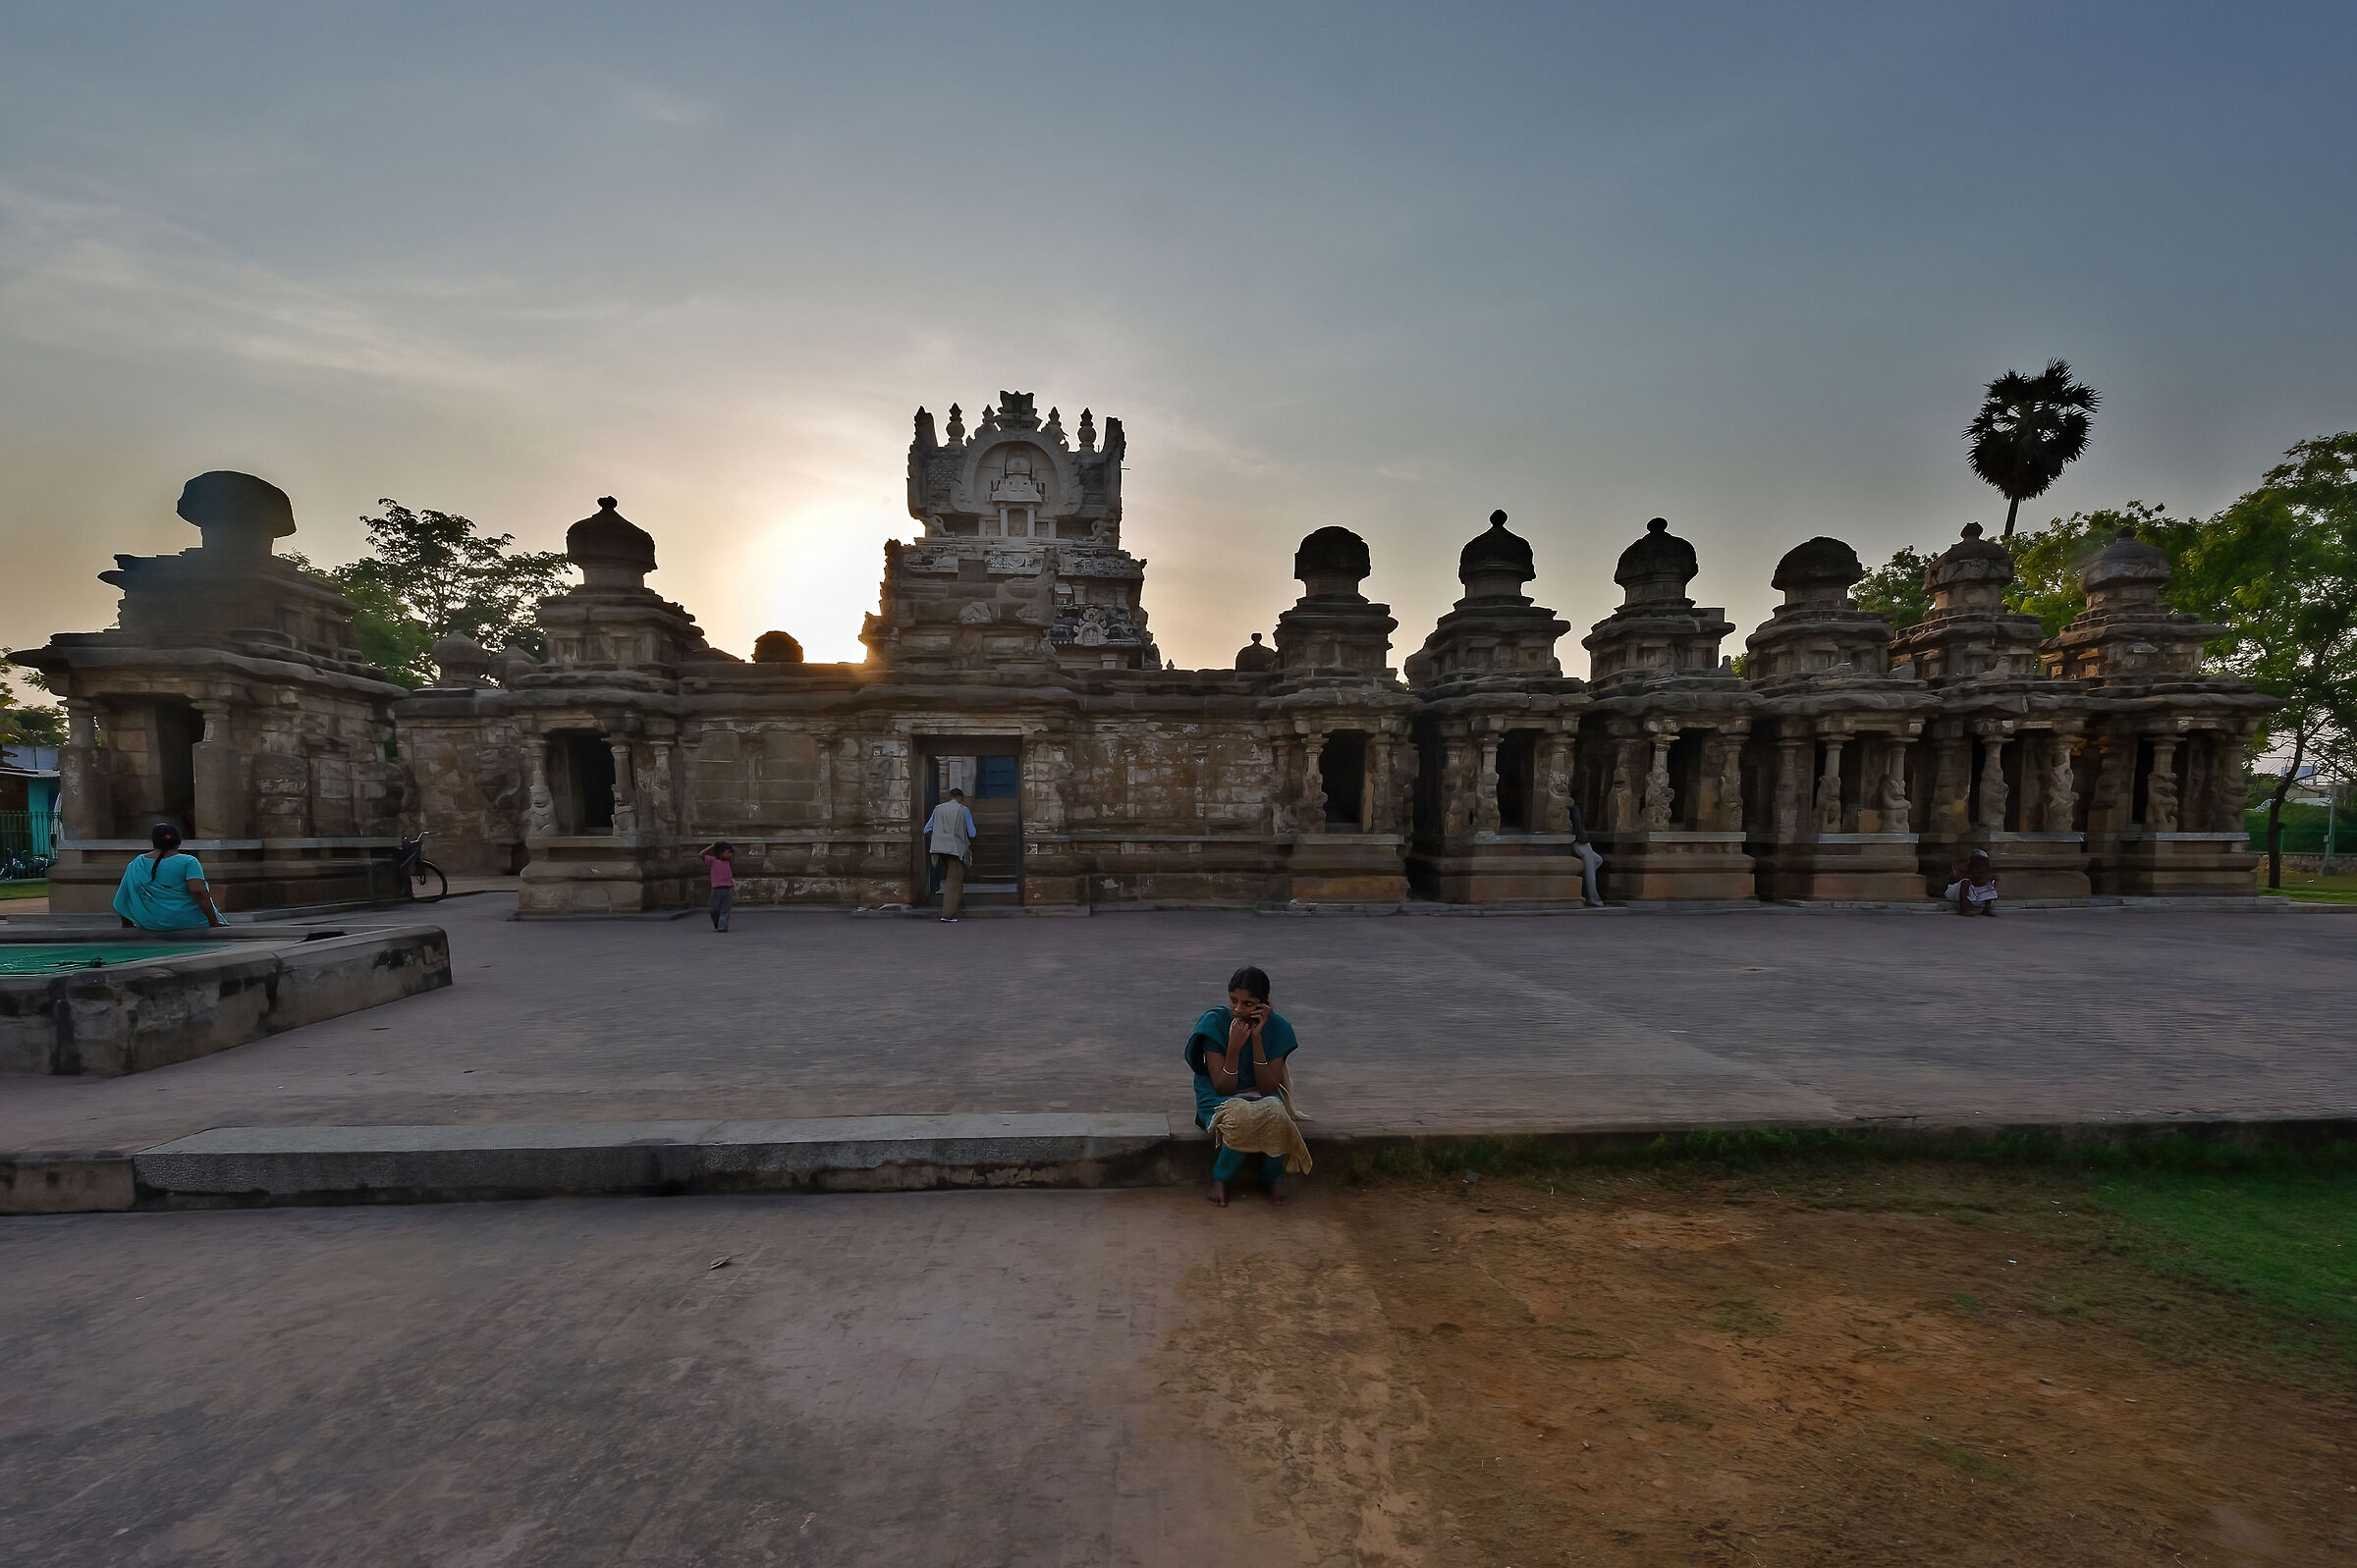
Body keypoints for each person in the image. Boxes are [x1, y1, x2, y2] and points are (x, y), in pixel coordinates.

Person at [1185, 965, 1309, 1208]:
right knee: (1242, 1116)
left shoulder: (1279, 1028)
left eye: (1248, 1004)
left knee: (1277, 1113)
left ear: (1264, 1005)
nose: (1237, 1010)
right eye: (1233, 1000)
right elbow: (1222, 1086)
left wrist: (1256, 1039)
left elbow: (1267, 1088)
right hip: (1218, 1096)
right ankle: (1221, 1178)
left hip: (1260, 1094)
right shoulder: (1215, 1023)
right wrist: (1233, 1047)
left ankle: (1272, 1178)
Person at [112, 824, 227, 932]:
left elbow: (122, 899)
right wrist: (214, 922)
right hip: (188, 922)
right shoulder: (188, 861)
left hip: (151, 924)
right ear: (178, 842)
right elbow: (197, 891)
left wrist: (128, 927)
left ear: (154, 842)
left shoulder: (135, 865)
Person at [924, 786, 976, 922]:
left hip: (939, 848)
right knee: (954, 881)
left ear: (949, 797)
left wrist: (939, 836)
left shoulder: (938, 809)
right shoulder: (963, 810)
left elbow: (927, 829)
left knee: (953, 877)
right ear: (961, 799)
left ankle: (959, 902)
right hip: (955, 848)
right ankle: (947, 914)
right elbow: (972, 833)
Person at [1566, 795, 1605, 908]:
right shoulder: (1574, 809)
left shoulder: (1574, 809)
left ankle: (1581, 885)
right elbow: (1578, 827)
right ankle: (1593, 899)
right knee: (1591, 872)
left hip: (1580, 842)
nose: (1582, 800)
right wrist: (1582, 837)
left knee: (1598, 860)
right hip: (1579, 843)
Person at [1946, 849, 1999, 917]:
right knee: (1966, 882)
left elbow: (1985, 879)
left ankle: (1986, 909)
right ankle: (1963, 910)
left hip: (1973, 891)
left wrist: (1991, 878)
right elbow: (1957, 878)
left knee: (1989, 883)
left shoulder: (1984, 868)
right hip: (1954, 891)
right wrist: (1975, 877)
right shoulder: (1964, 867)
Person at [701, 840, 736, 932]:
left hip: (728, 887)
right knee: (714, 909)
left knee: (725, 909)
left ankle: (722, 926)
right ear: (721, 853)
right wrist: (712, 847)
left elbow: (731, 858)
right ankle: (718, 923)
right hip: (716, 888)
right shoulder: (712, 861)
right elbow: (701, 855)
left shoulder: (728, 862)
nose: (731, 854)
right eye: (728, 852)